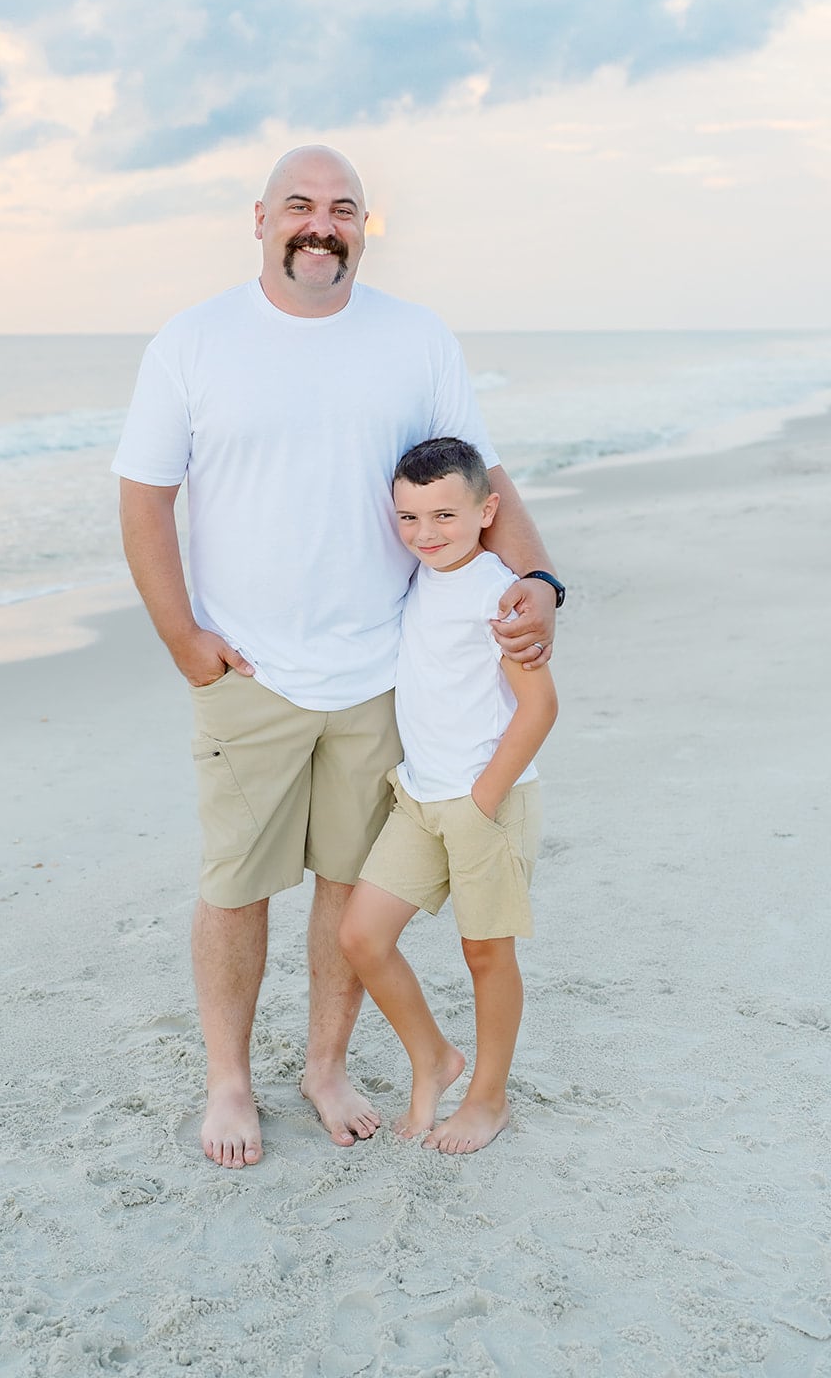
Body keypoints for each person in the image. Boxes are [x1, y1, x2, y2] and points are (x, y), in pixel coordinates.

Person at [112, 145, 563, 1169]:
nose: (321, 224)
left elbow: (482, 477)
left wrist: (538, 581)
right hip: (247, 675)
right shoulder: (193, 341)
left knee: (345, 886)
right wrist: (182, 638)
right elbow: (144, 495)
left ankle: (324, 1065)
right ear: (261, 217)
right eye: (301, 207)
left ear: (366, 226)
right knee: (233, 884)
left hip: (376, 675)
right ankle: (228, 1079)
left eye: (343, 209)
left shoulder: (413, 338)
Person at [340, 438, 557, 1154]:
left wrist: (482, 797)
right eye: (407, 518)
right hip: (419, 798)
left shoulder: (500, 591)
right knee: (361, 938)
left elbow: (538, 706)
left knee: (486, 956)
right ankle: (433, 1057)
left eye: (443, 516)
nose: (424, 533)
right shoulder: (414, 579)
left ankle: (486, 1099)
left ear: (486, 509)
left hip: (480, 803)